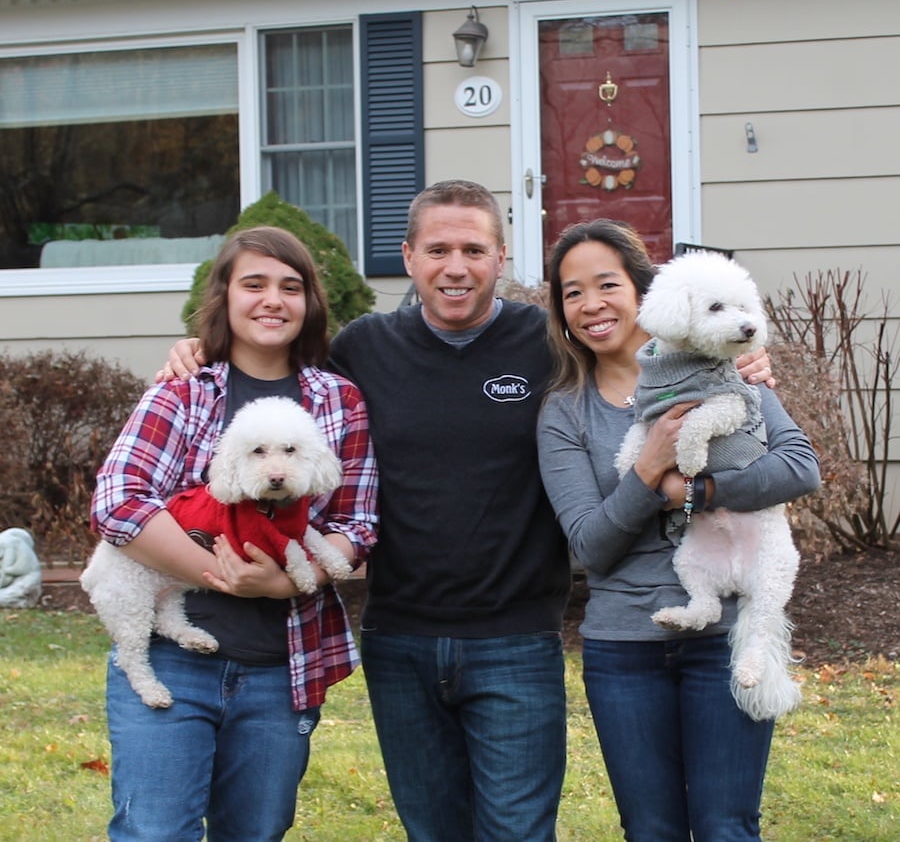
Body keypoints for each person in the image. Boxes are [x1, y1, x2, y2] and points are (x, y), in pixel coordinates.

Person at [162, 182, 775, 841]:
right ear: (408, 256)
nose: (456, 266)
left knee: (516, 833)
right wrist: (203, 352)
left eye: (474, 249)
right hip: (401, 639)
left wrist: (737, 360)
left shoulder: (545, 343)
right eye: (438, 249)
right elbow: (275, 374)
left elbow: (638, 353)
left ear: (501, 258)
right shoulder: (364, 348)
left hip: (517, 639)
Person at [536, 219, 821, 842]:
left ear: (646, 291)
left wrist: (691, 490)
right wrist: (648, 466)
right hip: (623, 649)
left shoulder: (726, 367)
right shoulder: (565, 411)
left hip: (721, 637)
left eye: (606, 284)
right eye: (572, 292)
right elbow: (589, 546)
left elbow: (799, 467)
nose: (591, 305)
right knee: (651, 830)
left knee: (726, 827)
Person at [91, 226, 378, 841]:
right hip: (173, 661)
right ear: (224, 296)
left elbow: (357, 522)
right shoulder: (186, 388)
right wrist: (225, 578)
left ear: (310, 304)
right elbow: (117, 503)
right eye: (254, 284)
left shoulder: (340, 401)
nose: (272, 299)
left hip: (284, 665)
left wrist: (278, 586)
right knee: (154, 833)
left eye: (290, 287)